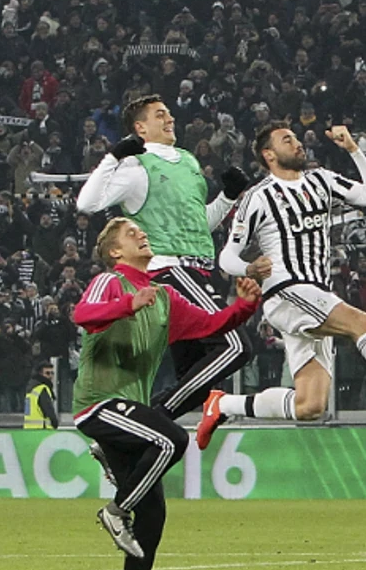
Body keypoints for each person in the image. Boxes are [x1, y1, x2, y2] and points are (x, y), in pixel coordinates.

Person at [73, 218, 260, 570]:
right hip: (99, 404)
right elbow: (82, 315)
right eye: (131, 233)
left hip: (132, 411)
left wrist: (243, 307)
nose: (142, 234)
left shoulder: (164, 297)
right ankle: (117, 509)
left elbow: (210, 327)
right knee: (172, 438)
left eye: (143, 230)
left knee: (154, 520)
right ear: (115, 252)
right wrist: (127, 305)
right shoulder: (111, 282)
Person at [206, 123, 366, 446]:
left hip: (317, 296)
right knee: (360, 321)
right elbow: (227, 256)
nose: (297, 143)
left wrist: (354, 149)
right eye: (288, 140)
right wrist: (249, 267)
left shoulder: (320, 180)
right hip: (285, 292)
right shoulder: (259, 197)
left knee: (310, 405)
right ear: (269, 155)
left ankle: (223, 403)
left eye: (296, 138)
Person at [78, 94, 254, 417]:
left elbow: (199, 223)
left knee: (196, 380)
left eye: (169, 113)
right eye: (160, 115)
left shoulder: (187, 160)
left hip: (197, 272)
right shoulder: (136, 164)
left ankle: (137, 435)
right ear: (140, 128)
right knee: (235, 347)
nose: (170, 118)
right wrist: (115, 155)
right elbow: (87, 203)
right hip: (170, 270)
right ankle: (153, 418)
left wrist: (228, 198)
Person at [24, 362, 58, 430]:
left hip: (29, 429)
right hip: (42, 429)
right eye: (47, 373)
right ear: (40, 374)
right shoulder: (42, 389)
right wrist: (55, 423)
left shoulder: (31, 388)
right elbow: (48, 409)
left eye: (52, 373)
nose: (50, 376)